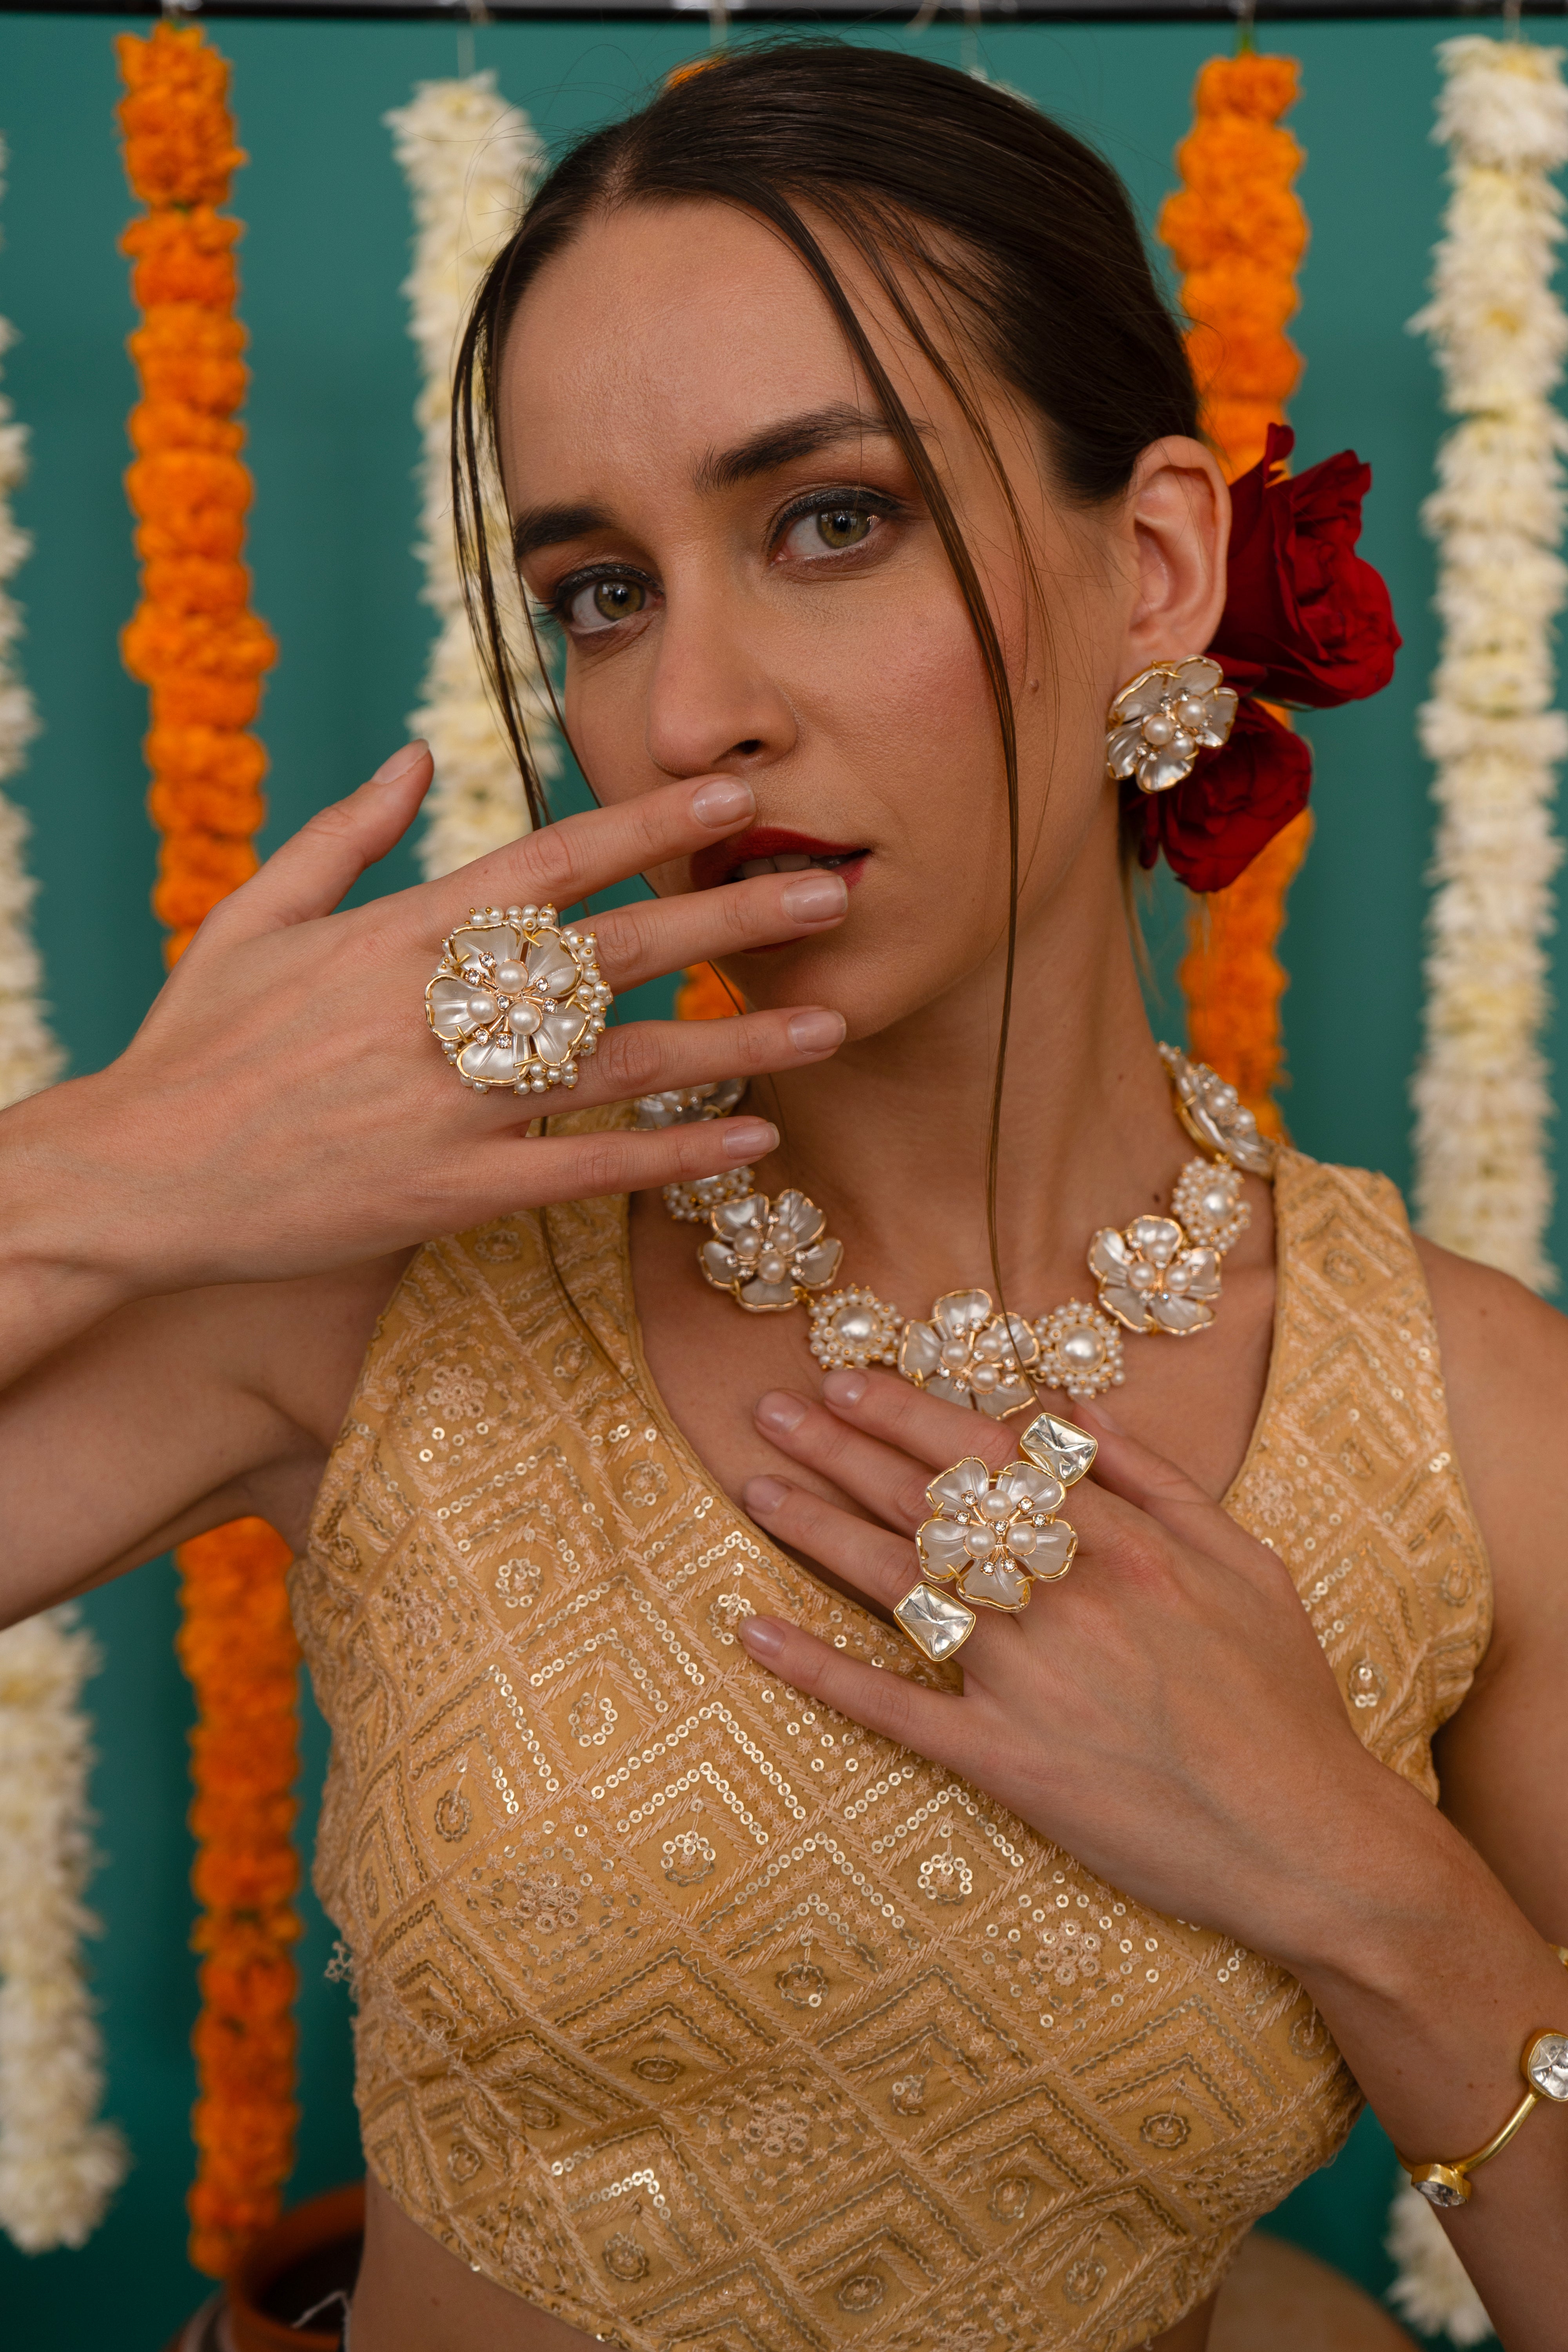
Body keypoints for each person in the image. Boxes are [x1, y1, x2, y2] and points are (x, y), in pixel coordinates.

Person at [3, 42, 1564, 2352]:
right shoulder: (390, 1286)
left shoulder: (1482, 1425)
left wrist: (1370, 1889)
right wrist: (116, 1162)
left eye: (830, 520)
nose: (689, 706)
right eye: (605, 591)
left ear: (1152, 569)